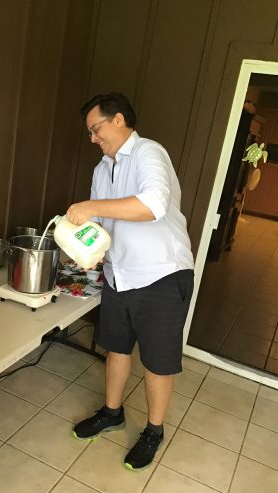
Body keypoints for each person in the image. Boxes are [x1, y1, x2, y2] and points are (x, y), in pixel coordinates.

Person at [67, 92, 194, 470]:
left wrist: (91, 207)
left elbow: (152, 205)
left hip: (161, 274)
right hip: (119, 274)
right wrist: (87, 246)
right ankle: (112, 412)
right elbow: (102, 224)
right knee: (117, 348)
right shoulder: (101, 168)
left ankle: (154, 430)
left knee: (157, 362)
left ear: (119, 119)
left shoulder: (148, 153)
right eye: (90, 132)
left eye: (96, 129)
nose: (92, 138)